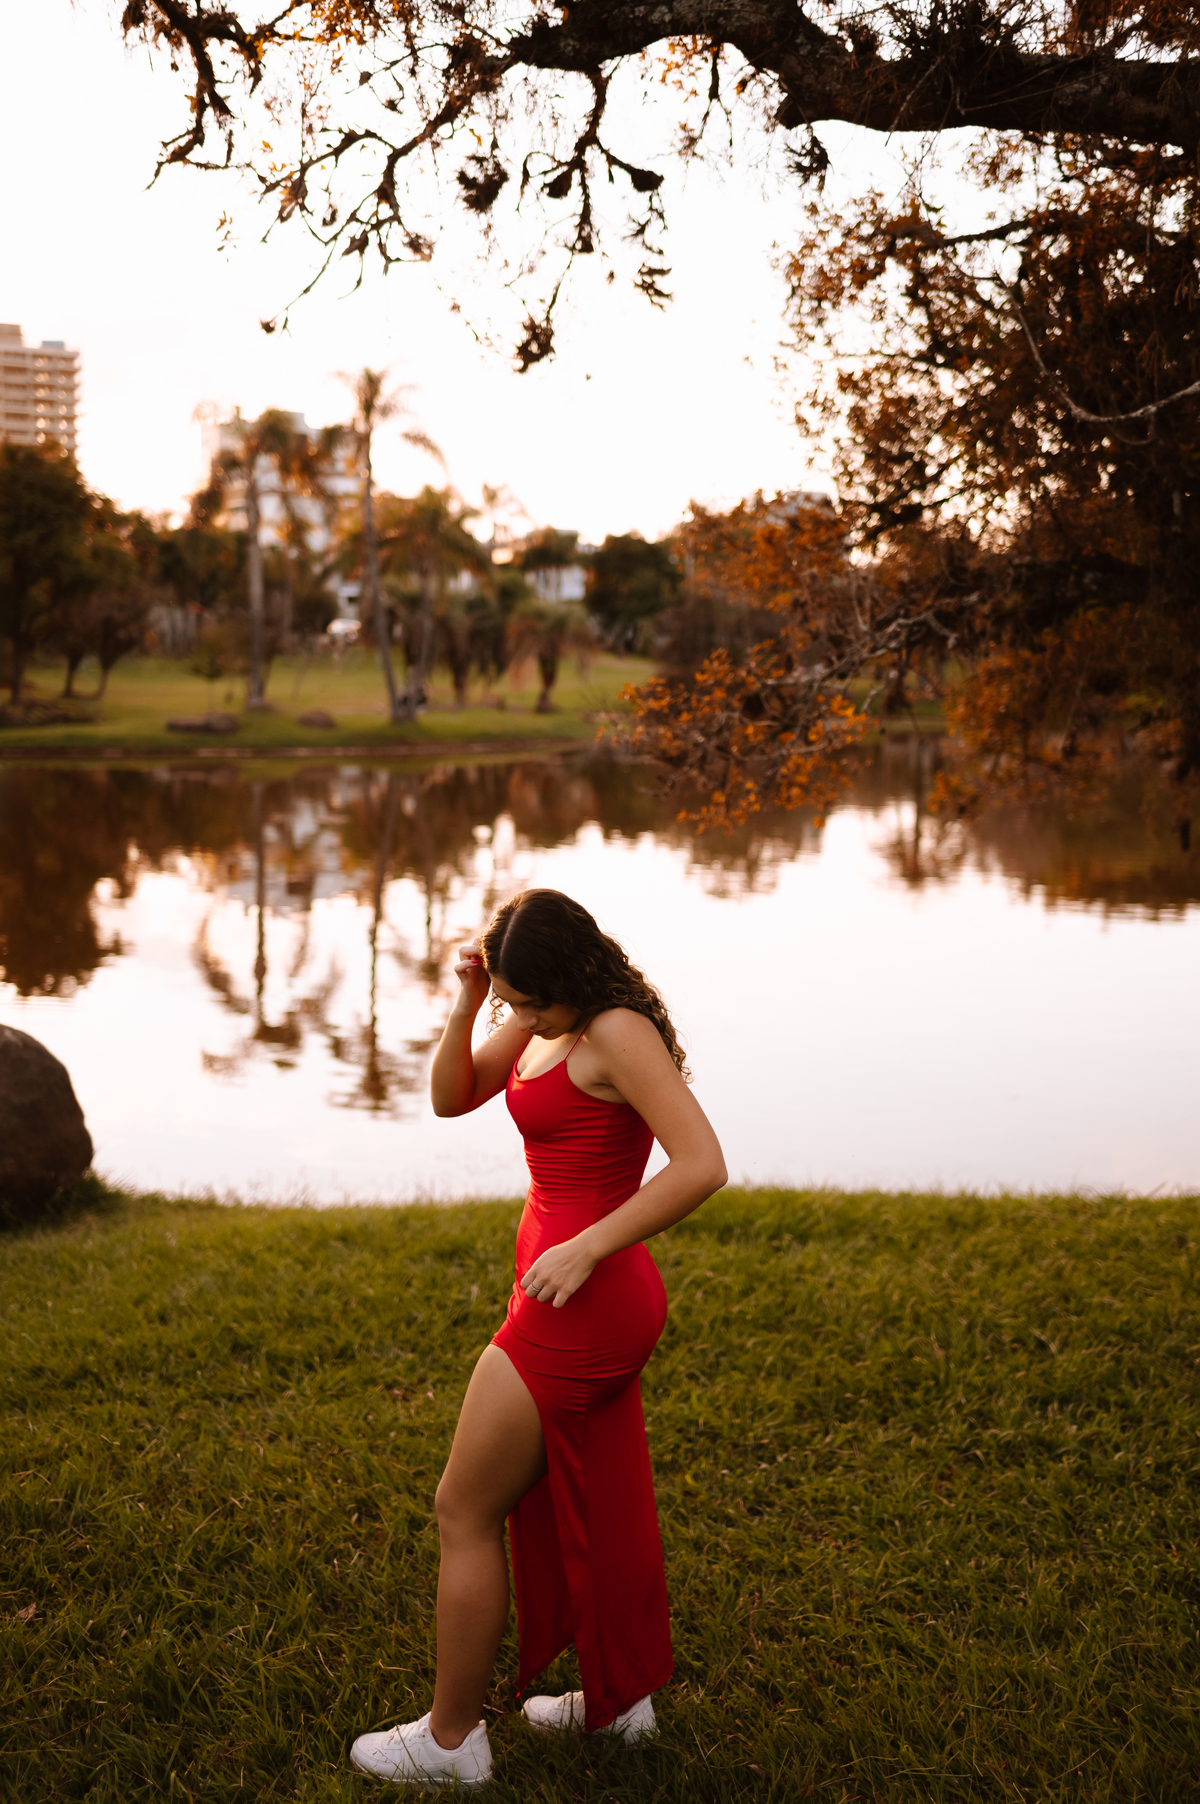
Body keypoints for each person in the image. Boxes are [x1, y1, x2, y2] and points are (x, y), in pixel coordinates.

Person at [350, 887, 727, 1789]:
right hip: (568, 1291)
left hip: (584, 1298)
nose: (519, 1016)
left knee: (463, 1508)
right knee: (598, 1494)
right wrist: (469, 1001)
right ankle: (618, 1703)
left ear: (570, 977)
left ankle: (449, 1744)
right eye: (510, 1001)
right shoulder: (539, 1018)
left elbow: (703, 1164)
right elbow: (452, 1098)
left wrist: (589, 1245)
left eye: (528, 1002)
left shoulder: (614, 1031)